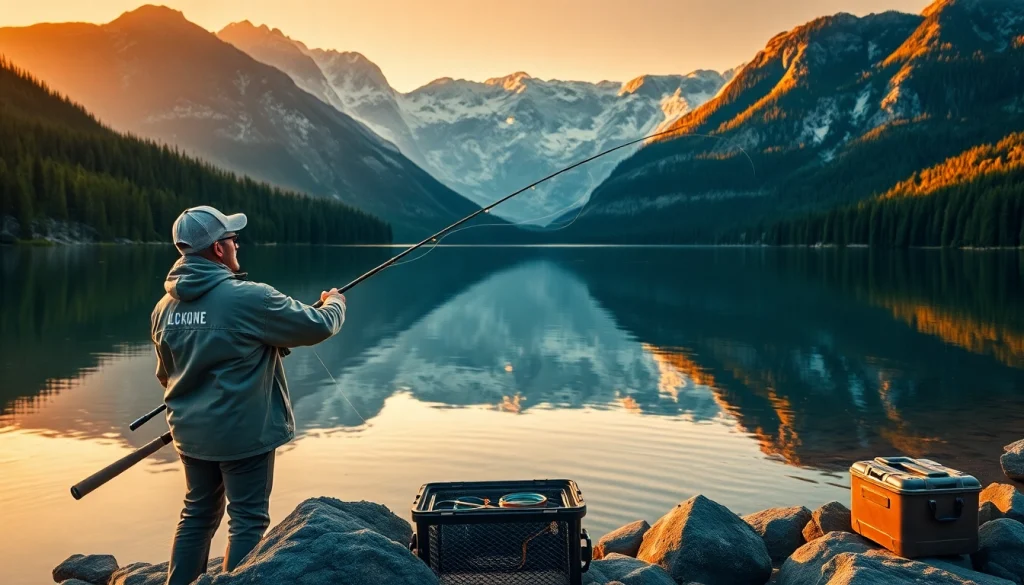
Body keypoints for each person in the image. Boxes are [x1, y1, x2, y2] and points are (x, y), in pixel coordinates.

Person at [150, 206, 347, 585]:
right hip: (244, 435)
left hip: (189, 434)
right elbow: (318, 325)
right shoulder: (250, 298)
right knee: (247, 519)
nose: (237, 243)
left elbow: (165, 375)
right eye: (231, 237)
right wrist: (335, 302)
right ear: (218, 250)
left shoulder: (163, 309)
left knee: (197, 514)